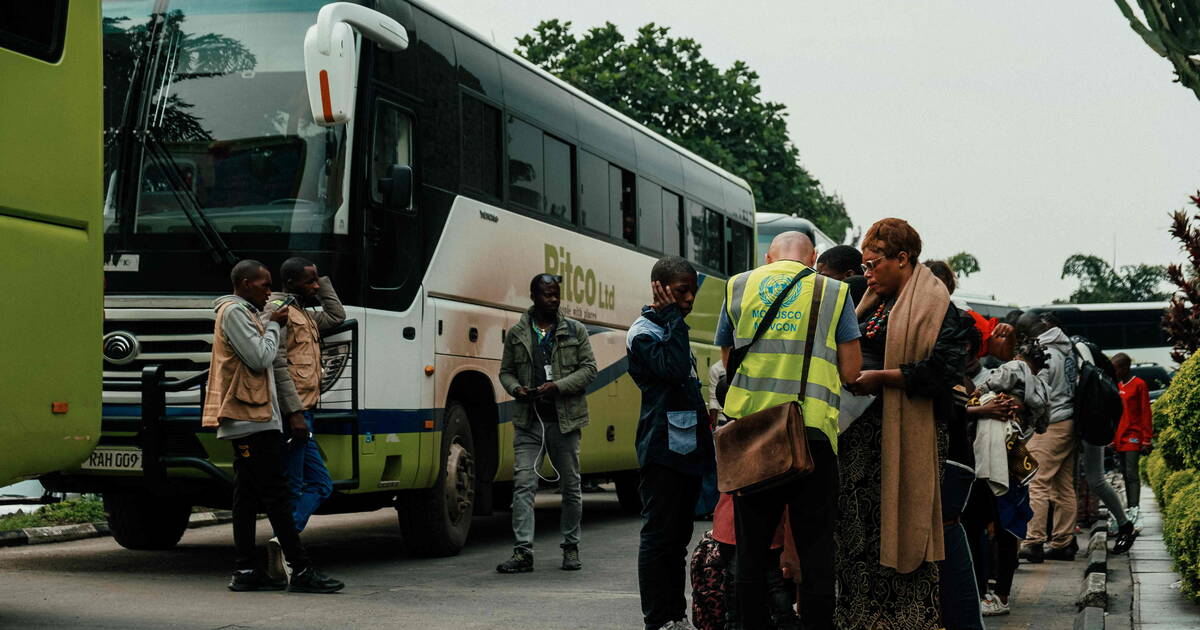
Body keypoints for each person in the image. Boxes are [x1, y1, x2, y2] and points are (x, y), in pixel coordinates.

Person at [718, 231, 862, 630]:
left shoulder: (738, 286)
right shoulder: (833, 292)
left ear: (768, 257)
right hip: (811, 438)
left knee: (751, 552)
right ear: (813, 258)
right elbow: (851, 371)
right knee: (816, 554)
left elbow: (729, 361)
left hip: (753, 438)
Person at [839, 218, 966, 630]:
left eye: (874, 264)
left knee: (908, 530)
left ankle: (908, 621)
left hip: (911, 434)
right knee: (859, 536)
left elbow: (942, 371)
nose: (867, 272)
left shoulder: (941, 308)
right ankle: (859, 619)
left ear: (903, 259)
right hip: (859, 442)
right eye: (864, 266)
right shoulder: (869, 301)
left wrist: (884, 379)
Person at [202, 259, 343, 594]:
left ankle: (246, 569)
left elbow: (334, 316)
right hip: (251, 417)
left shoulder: (256, 311)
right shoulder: (237, 312)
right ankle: (301, 569)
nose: (270, 290)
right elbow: (263, 358)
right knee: (278, 496)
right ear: (246, 283)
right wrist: (275, 325)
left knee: (248, 498)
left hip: (257, 416)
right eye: (265, 285)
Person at [628, 256, 715, 630]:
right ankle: (658, 618)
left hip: (686, 449)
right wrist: (673, 320)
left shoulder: (669, 325)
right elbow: (675, 369)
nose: (689, 299)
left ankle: (675, 615)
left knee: (678, 540)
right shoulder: (644, 332)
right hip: (662, 450)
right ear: (659, 289)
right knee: (659, 538)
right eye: (681, 292)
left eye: (693, 291)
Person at [497, 274, 598, 573]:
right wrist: (516, 389)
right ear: (533, 296)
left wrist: (559, 386)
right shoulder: (517, 333)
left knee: (571, 487)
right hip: (529, 422)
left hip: (565, 422)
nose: (553, 300)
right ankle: (523, 552)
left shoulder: (575, 330)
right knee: (523, 485)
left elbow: (590, 369)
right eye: (546, 295)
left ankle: (570, 547)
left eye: (556, 294)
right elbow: (505, 372)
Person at [262, 257, 346, 576]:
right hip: (292, 414)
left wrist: (321, 281)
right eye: (309, 281)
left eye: (316, 281)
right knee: (293, 486)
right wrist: (294, 412)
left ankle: (281, 540)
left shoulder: (305, 314)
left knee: (321, 484)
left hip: (305, 413)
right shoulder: (279, 311)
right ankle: (289, 551)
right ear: (291, 282)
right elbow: (278, 363)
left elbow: (337, 315)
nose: (315, 286)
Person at [1015, 312, 1081, 563]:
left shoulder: (1047, 353)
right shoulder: (1067, 350)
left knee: (1036, 481)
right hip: (1069, 420)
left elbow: (1038, 393)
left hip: (1052, 423)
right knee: (1063, 485)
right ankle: (1063, 542)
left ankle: (1033, 541)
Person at [1071, 341, 1136, 554]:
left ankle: (1125, 525)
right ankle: (1124, 525)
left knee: (1093, 479)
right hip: (1091, 422)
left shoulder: (1076, 352)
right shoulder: (1083, 349)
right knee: (1088, 480)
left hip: (1089, 422)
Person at [1112, 353, 1152, 533]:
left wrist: (1146, 438)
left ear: (1125, 368)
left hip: (1133, 436)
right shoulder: (1115, 385)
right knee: (1124, 475)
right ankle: (1128, 511)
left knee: (1132, 473)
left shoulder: (1139, 385)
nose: (1114, 372)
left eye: (1116, 368)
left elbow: (1145, 412)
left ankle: (1135, 510)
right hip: (1118, 437)